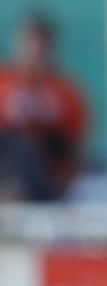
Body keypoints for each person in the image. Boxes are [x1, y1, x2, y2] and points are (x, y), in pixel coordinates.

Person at [0, 14, 87, 201]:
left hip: (48, 178)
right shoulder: (4, 83)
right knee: (18, 144)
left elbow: (75, 145)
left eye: (41, 45)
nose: (35, 51)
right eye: (29, 44)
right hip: (9, 172)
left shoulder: (65, 90)